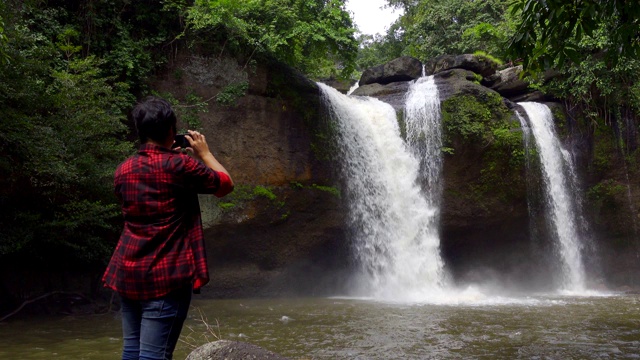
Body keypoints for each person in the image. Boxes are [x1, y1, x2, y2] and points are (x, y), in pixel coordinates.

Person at [102, 96, 234, 360]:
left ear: (140, 132)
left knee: (132, 348)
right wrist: (204, 153)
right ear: (172, 130)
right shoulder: (180, 166)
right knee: (154, 355)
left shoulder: (123, 170)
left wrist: (168, 159)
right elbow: (225, 184)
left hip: (128, 271)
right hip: (165, 274)